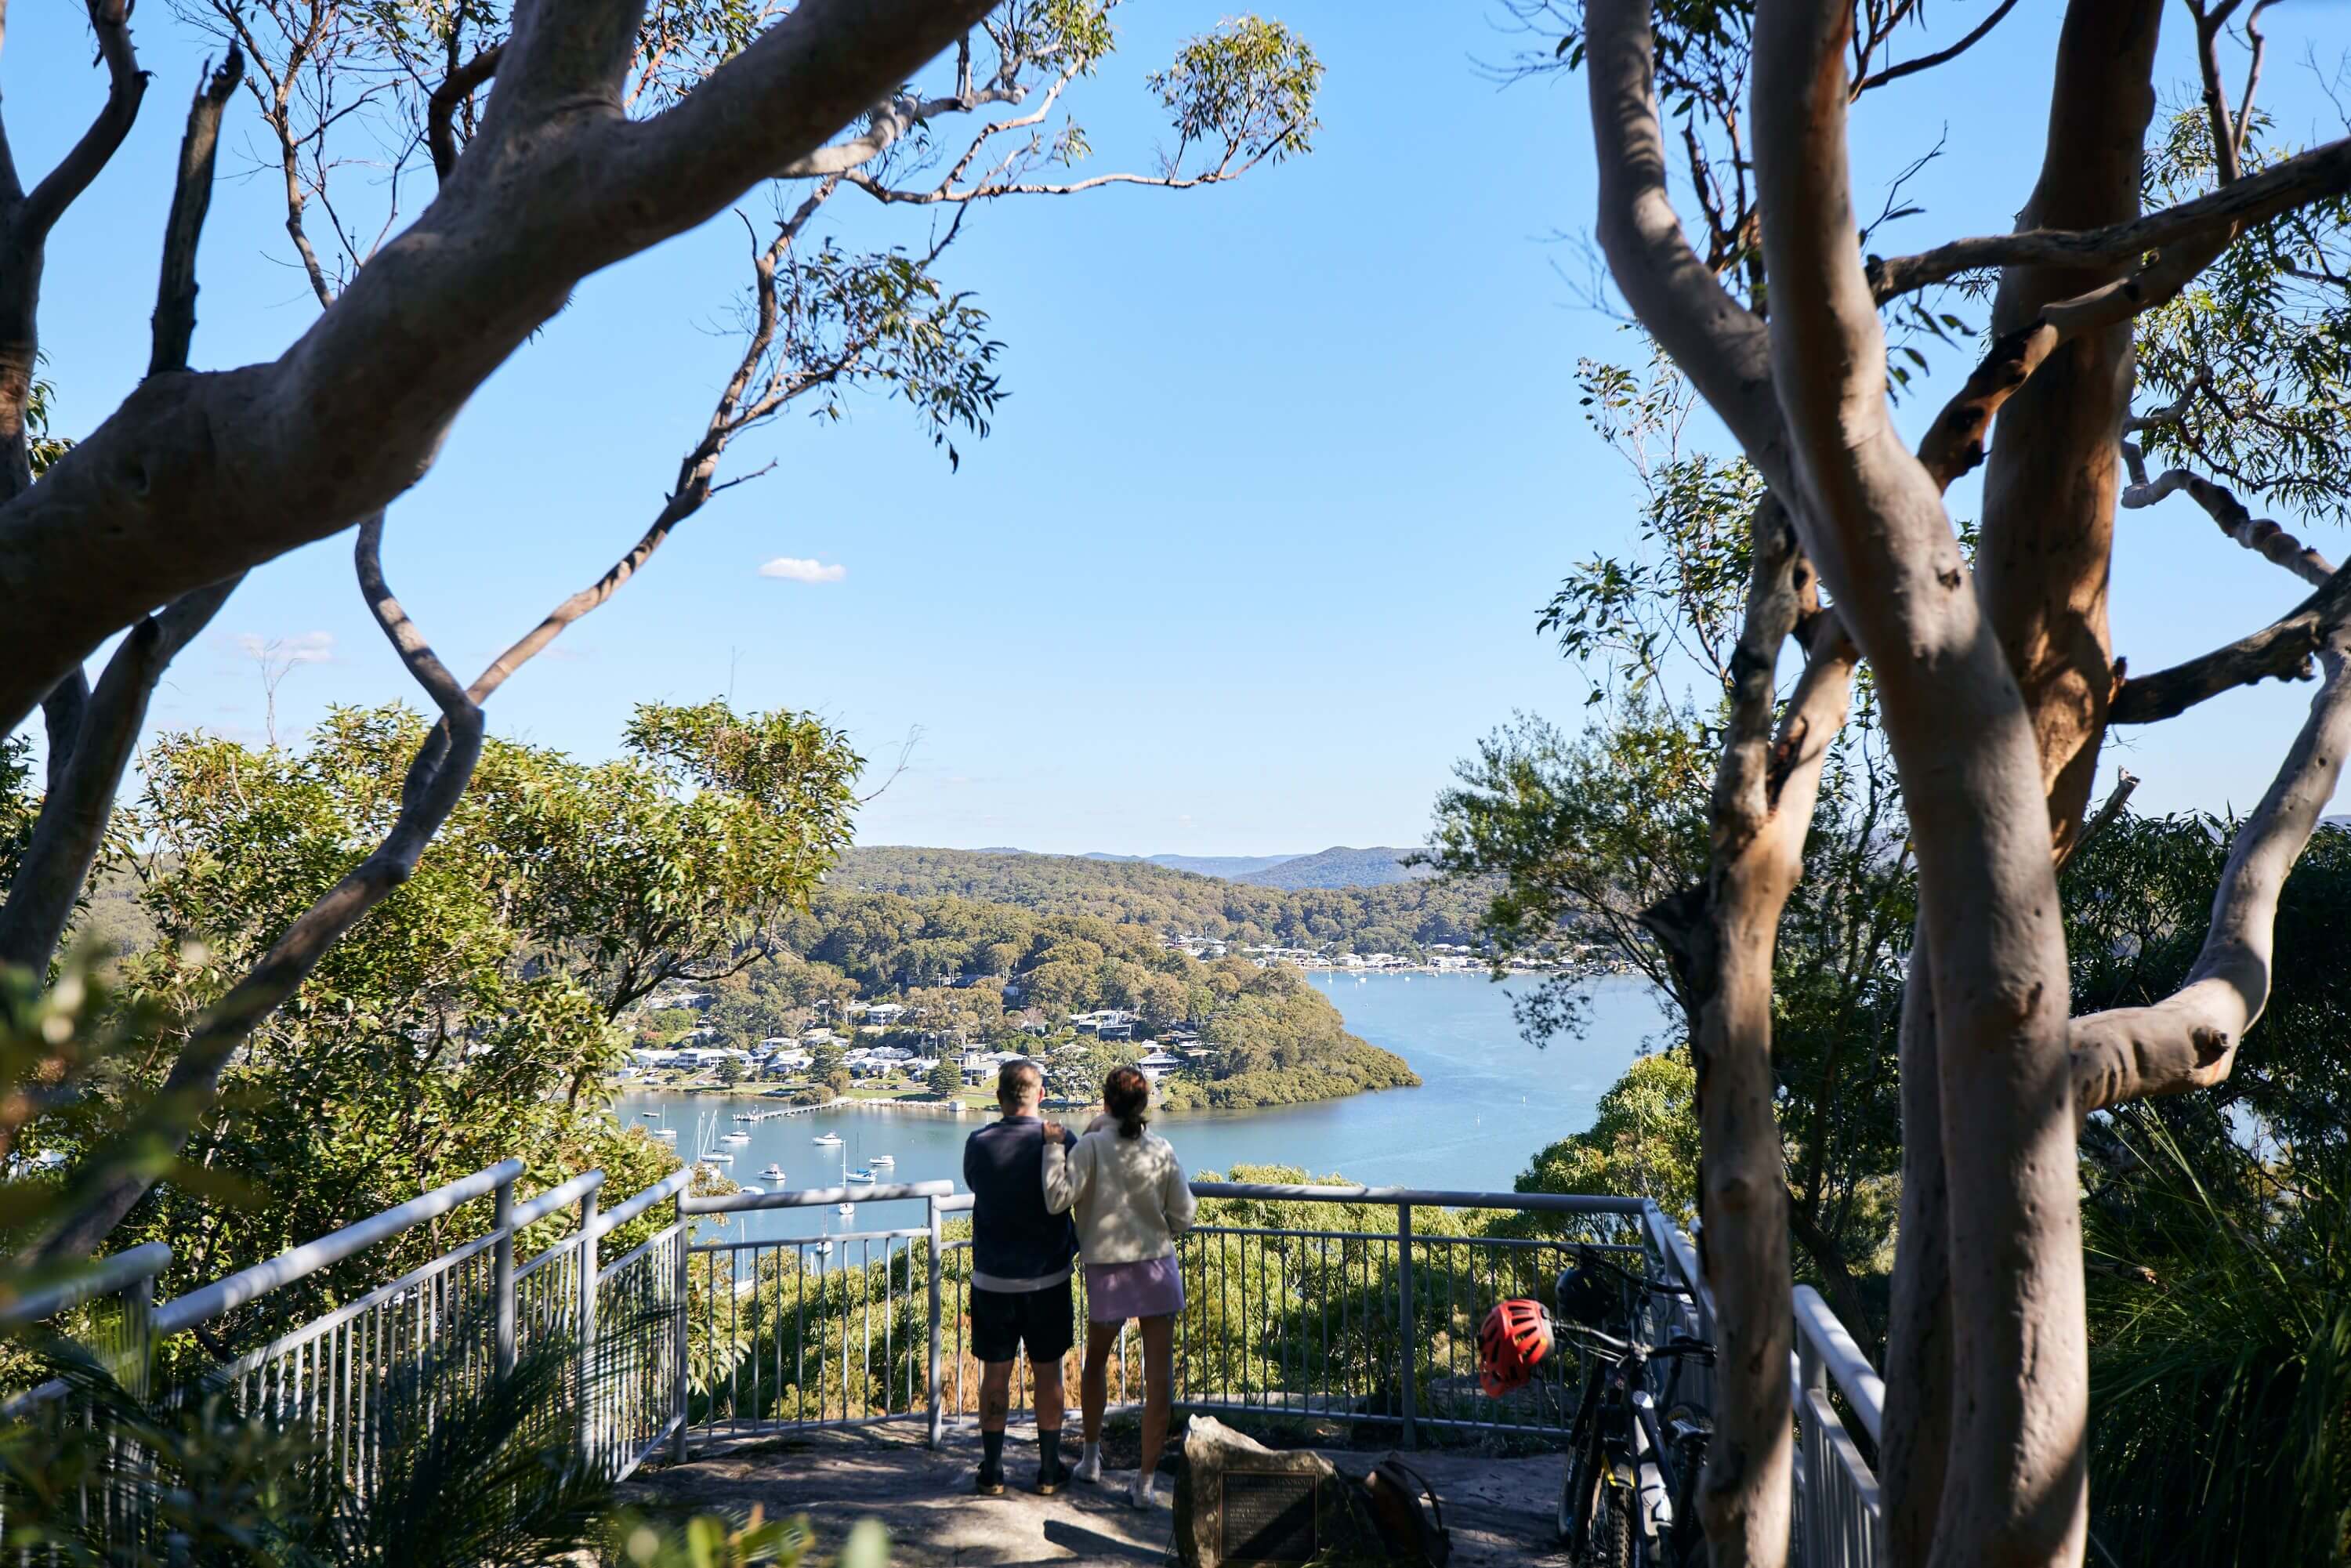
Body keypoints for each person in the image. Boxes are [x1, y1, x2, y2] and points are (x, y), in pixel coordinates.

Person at [1042, 1064, 1197, 1509]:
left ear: (1105, 1101)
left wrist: (1055, 1147)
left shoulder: (1090, 1146)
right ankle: (1145, 1485)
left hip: (1107, 1271)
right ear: (1144, 1105)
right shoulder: (1160, 1149)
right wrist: (1156, 1229)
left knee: (1095, 1365)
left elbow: (1058, 1198)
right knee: (1159, 1382)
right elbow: (1183, 1215)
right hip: (1157, 1270)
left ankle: (1092, 1459)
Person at [962, 1059, 1078, 1497]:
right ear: (1041, 1095)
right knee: (1049, 1375)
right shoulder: (1061, 1139)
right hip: (1048, 1279)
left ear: (999, 1098)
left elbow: (976, 1184)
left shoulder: (979, 1142)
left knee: (995, 1374)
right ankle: (1049, 1470)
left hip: (992, 1280)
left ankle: (992, 1470)